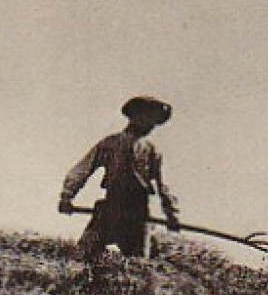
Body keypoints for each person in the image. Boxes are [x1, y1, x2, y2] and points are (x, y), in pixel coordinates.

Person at [59, 95, 181, 262]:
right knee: (81, 258)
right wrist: (67, 195)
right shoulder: (109, 143)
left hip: (137, 213)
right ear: (135, 116)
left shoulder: (152, 150)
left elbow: (164, 186)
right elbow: (82, 169)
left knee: (138, 267)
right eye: (149, 119)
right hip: (111, 208)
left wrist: (172, 215)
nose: (152, 125)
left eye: (154, 121)